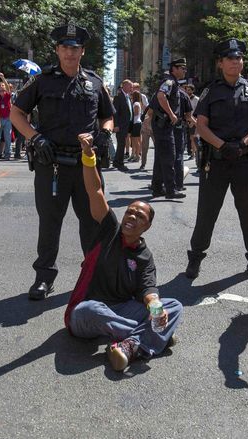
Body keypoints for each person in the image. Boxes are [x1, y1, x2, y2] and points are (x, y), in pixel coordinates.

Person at [10, 23, 115, 301]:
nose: (70, 52)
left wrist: (105, 133)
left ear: (83, 51)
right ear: (57, 50)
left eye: (75, 48)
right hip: (51, 163)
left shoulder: (94, 82)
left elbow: (107, 115)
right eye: (65, 47)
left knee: (93, 222)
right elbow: (17, 113)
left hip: (86, 163)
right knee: (50, 223)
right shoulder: (42, 80)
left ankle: (92, 275)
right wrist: (35, 139)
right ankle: (44, 277)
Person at [64, 133, 182, 372]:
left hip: (120, 310)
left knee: (174, 306)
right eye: (130, 212)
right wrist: (88, 156)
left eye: (139, 216)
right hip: (85, 314)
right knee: (92, 310)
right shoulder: (108, 230)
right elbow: (95, 191)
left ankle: (132, 346)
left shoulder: (144, 257)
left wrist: (157, 311)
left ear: (147, 226)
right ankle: (155, 337)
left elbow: (149, 292)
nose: (132, 217)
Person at [185, 38, 248, 279]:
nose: (235, 62)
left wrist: (242, 143)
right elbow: (201, 125)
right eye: (230, 58)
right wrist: (222, 145)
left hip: (246, 160)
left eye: (238, 58)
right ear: (220, 63)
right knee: (207, 211)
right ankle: (196, 258)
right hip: (218, 161)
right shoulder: (210, 91)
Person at [149, 58, 187, 199]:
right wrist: (171, 114)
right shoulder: (169, 82)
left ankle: (157, 188)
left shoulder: (172, 82)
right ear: (174, 68)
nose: (184, 71)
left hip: (163, 124)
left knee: (160, 157)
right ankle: (171, 190)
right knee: (169, 157)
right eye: (182, 68)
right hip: (163, 125)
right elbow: (160, 96)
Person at [113, 79, 133, 170]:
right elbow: (115, 112)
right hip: (120, 125)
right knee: (121, 144)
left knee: (122, 144)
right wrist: (116, 125)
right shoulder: (118, 96)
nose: (131, 88)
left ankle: (117, 162)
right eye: (130, 86)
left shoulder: (127, 96)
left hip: (126, 125)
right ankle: (119, 163)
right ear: (124, 86)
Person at [130, 89, 143, 163]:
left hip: (136, 123)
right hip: (137, 123)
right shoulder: (138, 103)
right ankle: (136, 155)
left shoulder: (136, 104)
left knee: (135, 141)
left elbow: (136, 113)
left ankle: (137, 156)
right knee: (136, 140)